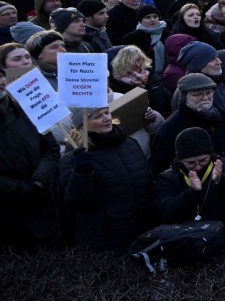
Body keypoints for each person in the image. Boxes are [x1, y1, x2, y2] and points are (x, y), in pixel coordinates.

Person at [59, 105, 155, 250]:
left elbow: (149, 184)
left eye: (107, 112)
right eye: (98, 116)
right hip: (107, 241)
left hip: (144, 231)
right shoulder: (72, 159)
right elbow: (77, 203)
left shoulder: (129, 144)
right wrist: (81, 173)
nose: (106, 118)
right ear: (82, 125)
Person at [153, 126, 225, 250]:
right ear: (180, 159)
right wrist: (191, 193)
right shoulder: (167, 178)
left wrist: (222, 180)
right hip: (190, 242)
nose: (197, 166)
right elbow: (167, 211)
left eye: (202, 160)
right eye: (191, 163)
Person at [0, 64, 61, 250]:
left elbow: (51, 148)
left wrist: (39, 180)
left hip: (45, 202)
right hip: (9, 216)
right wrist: (20, 189)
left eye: (1, 76)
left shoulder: (25, 110)